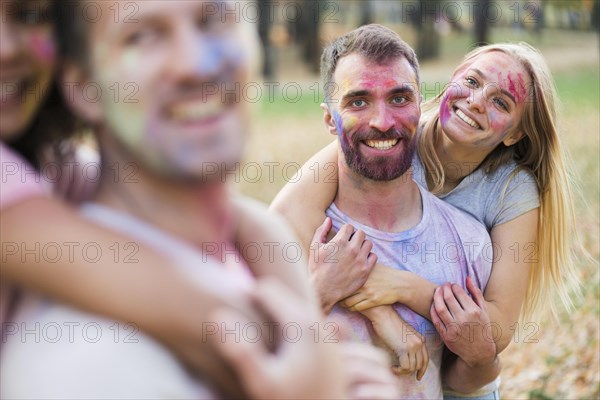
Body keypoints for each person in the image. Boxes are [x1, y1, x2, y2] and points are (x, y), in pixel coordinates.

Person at [1, 2, 399, 399]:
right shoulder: (89, 367)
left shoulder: (56, 174)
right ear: (83, 86)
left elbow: (245, 221)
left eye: (214, 20)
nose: (195, 64)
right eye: (141, 35)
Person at [271, 28, 580, 397]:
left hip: (462, 379)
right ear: (450, 82)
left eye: (501, 103)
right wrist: (379, 309)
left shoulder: (510, 190)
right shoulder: (390, 135)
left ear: (514, 134)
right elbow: (287, 216)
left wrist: (406, 287)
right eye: (471, 81)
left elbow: (494, 331)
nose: (478, 101)